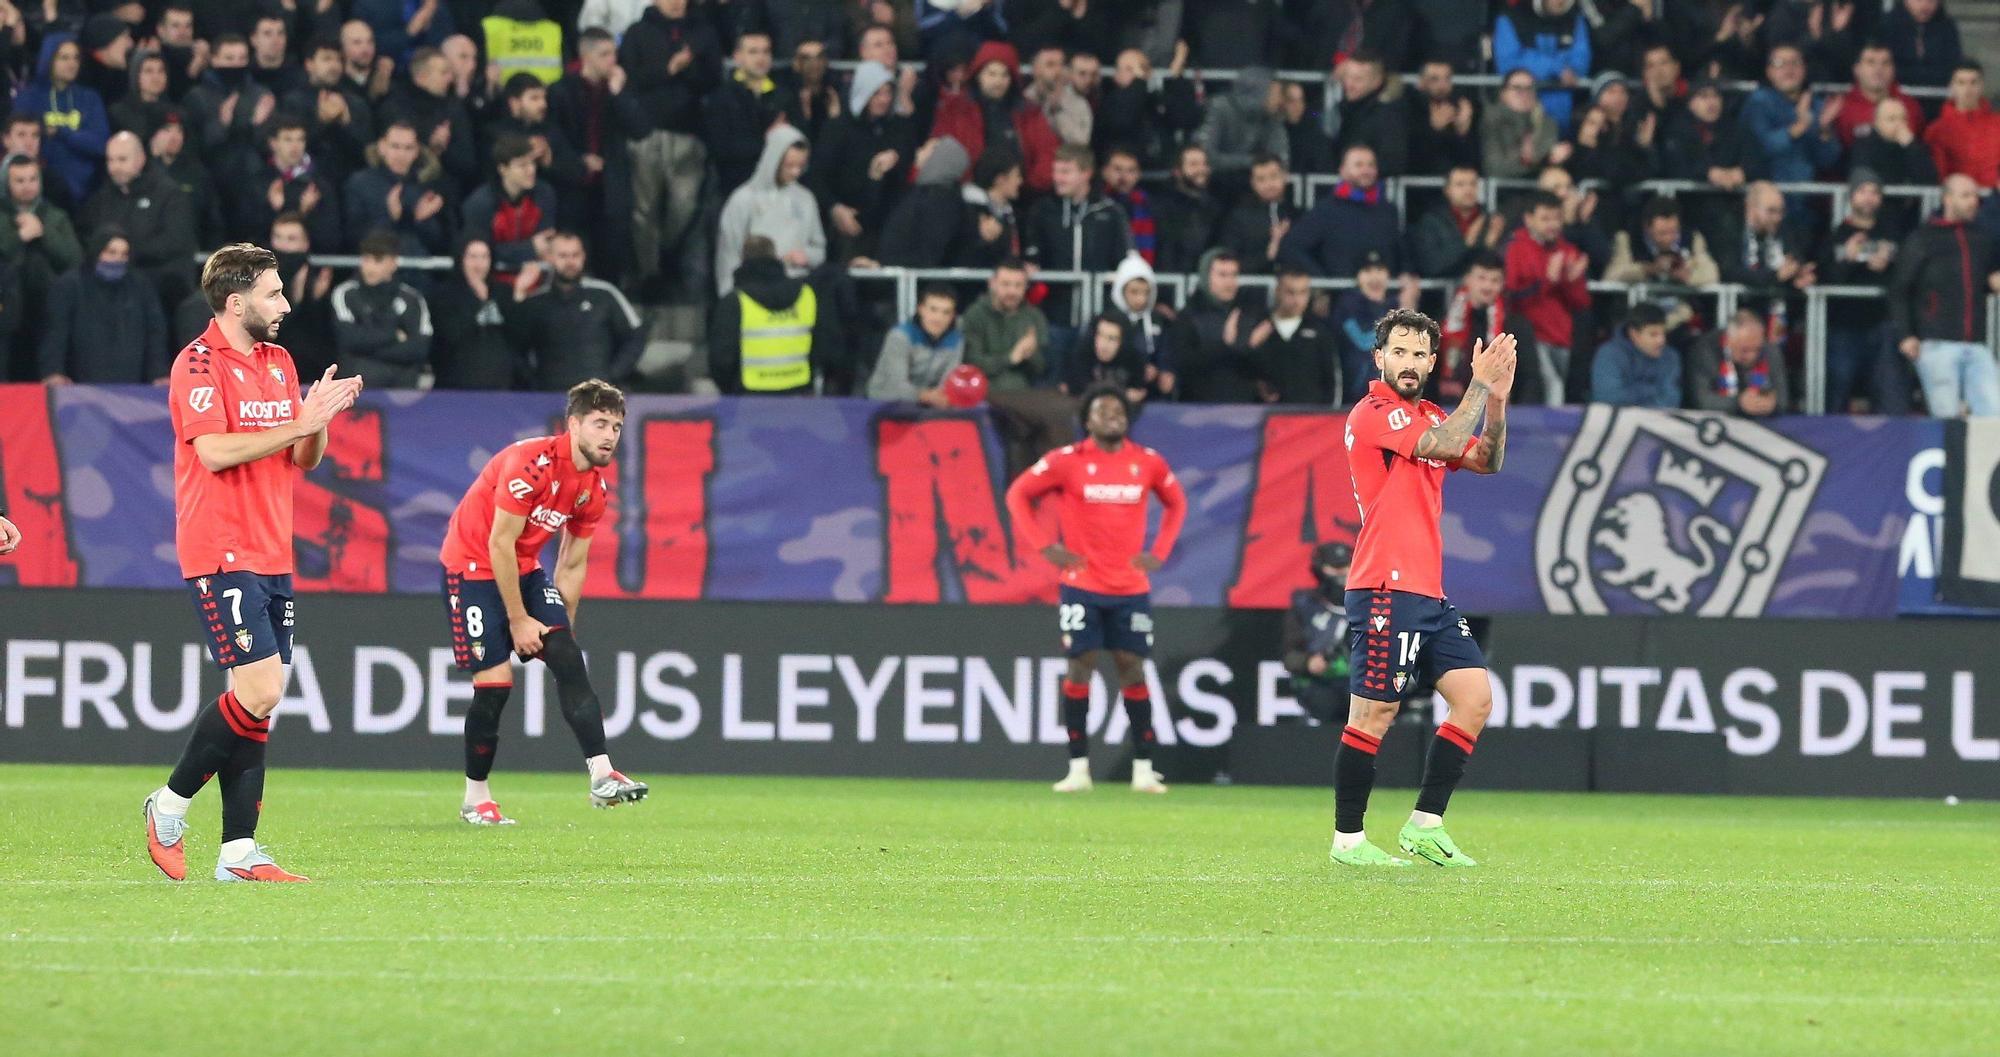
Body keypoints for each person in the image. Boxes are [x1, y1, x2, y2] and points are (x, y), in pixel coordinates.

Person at [143, 243, 366, 883]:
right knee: (264, 689)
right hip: (220, 545)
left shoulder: (279, 360)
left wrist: (316, 418)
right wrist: (298, 425)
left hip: (273, 546)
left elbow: (305, 459)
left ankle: (238, 851)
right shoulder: (197, 364)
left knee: (254, 701)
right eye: (274, 293)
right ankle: (169, 804)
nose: (286, 304)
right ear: (236, 303)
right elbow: (213, 452)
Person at [1331, 309, 1514, 868]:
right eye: (1400, 352)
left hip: (1426, 590)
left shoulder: (1431, 411)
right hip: (1385, 583)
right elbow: (1442, 443)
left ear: (1433, 363)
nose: (1410, 364)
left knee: (1474, 699)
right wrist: (1479, 387)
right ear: (1379, 357)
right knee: (1373, 714)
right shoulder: (1374, 412)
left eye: (1420, 355)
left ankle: (1425, 825)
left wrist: (1498, 401)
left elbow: (1487, 458)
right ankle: (1349, 841)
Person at [437, 378, 646, 824]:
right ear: (573, 424)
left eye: (616, 426)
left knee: (569, 656)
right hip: (472, 566)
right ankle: (477, 798)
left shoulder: (594, 488)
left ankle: (603, 775)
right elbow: (499, 544)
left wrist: (558, 633)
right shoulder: (529, 464)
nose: (609, 435)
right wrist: (518, 621)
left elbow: (571, 564)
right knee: (494, 688)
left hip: (524, 567)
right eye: (599, 424)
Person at [1004, 385, 1188, 795]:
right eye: (1103, 409)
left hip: (1129, 586)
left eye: (1119, 409)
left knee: (1132, 667)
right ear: (1087, 420)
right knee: (1079, 666)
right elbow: (1018, 494)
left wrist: (1158, 551)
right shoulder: (1067, 462)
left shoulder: (1148, 462)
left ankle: (1143, 769)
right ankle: (1077, 769)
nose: (1113, 414)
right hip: (1082, 584)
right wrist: (1043, 545)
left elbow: (1177, 503)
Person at [619, 0, 721, 290]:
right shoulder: (638, 32)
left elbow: (713, 79)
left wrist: (687, 71)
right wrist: (669, 69)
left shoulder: (703, 32)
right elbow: (631, 78)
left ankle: (666, 254)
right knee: (644, 209)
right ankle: (649, 274)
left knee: (685, 207)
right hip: (647, 134)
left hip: (690, 134)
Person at [1890, 174, 2000, 418]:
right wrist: (1906, 334)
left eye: (1975, 195)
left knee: (1994, 417)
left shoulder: (1981, 238)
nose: (1974, 201)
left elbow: (1991, 279)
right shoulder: (1923, 238)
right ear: (1947, 199)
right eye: (1966, 196)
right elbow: (1899, 289)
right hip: (1936, 344)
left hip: (1977, 343)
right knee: (1946, 419)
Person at [505, 230, 647, 390]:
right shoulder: (536, 302)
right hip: (547, 398)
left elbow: (636, 336)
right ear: (549, 258)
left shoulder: (605, 294)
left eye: (575, 255)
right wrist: (533, 382)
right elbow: (514, 346)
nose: (570, 262)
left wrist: (612, 375)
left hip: (596, 398)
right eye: (563, 256)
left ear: (583, 256)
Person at [709, 235, 835, 395]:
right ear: (775, 257)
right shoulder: (807, 295)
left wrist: (732, 390)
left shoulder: (735, 302)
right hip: (798, 394)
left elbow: (721, 360)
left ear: (742, 259)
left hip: (748, 397)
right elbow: (823, 344)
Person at [1024, 144, 1131, 331]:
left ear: (1086, 174)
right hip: (1053, 317)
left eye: (1065, 172)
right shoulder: (1042, 210)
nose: (1058, 178)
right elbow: (1032, 257)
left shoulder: (1111, 212)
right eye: (1056, 171)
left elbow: (1124, 259)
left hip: (1099, 319)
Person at [40, 228, 165, 384]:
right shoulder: (70, 285)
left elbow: (155, 333)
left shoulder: (140, 286)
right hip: (79, 385)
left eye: (124, 254)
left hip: (132, 386)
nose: (117, 259)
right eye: (111, 252)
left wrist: (159, 372)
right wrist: (53, 371)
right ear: (97, 251)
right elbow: (56, 332)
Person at [714, 124, 825, 296]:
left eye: (800, 166)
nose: (796, 172)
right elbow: (729, 254)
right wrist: (729, 298)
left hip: (796, 288)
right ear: (774, 160)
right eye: (789, 165)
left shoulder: (806, 199)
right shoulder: (743, 199)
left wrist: (807, 256)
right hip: (753, 290)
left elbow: (819, 248)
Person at [1504, 191, 1590, 405]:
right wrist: (1547, 280)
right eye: (1545, 218)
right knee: (1552, 388)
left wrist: (1572, 280)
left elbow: (1582, 303)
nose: (1552, 225)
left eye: (1556, 218)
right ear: (1529, 219)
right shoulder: (1516, 249)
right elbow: (1511, 299)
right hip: (1531, 336)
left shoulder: (1568, 251)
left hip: (1562, 336)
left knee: (1559, 388)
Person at [1279, 145, 1402, 279]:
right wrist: (1324, 282)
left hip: (1386, 296)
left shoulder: (1388, 210)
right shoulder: (1326, 210)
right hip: (1342, 296)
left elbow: (1400, 250)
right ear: (1342, 170)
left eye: (1371, 165)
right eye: (1358, 165)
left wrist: (1407, 274)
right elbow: (1292, 246)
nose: (1366, 170)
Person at [331, 232, 434, 388]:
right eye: (366, 259)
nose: (369, 267)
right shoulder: (345, 294)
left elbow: (419, 349)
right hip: (358, 390)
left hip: (402, 392)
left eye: (377, 260)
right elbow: (349, 340)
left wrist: (366, 350)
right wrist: (394, 335)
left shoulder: (412, 299)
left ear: (393, 263)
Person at [462, 135, 557, 287]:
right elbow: (480, 253)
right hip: (492, 283)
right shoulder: (480, 203)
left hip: (535, 279)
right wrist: (529, 248)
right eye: (522, 165)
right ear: (503, 169)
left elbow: (545, 243)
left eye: (532, 162)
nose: (531, 170)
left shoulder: (544, 194)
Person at [1741, 44, 1841, 184]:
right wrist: (1799, 126)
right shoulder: (1758, 102)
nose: (1789, 69)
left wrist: (1823, 129)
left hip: (1805, 196)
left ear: (1805, 69)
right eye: (1780, 64)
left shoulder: (1817, 105)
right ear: (1769, 71)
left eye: (1795, 63)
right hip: (1765, 191)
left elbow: (1827, 161)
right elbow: (1758, 149)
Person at [1174, 250, 1264, 404]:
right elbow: (1183, 364)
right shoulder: (1189, 315)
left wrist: (1255, 347)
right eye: (1222, 275)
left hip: (1244, 410)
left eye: (1233, 275)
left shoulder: (1248, 312)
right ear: (1206, 276)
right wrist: (1225, 345)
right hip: (1199, 409)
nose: (1229, 282)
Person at [432, 238, 520, 389]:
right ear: (461, 259)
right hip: (457, 383)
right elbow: (450, 335)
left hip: (501, 384)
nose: (479, 264)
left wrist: (520, 296)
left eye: (484, 257)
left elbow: (517, 336)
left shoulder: (503, 292)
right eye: (472, 257)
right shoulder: (443, 295)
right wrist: (477, 300)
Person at [1282, 541, 1352, 724]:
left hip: (1363, 687)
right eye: (1334, 567)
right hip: (1322, 685)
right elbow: (1290, 655)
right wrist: (1309, 663)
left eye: (1345, 566)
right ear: (1320, 569)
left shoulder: (1372, 605)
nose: (1341, 573)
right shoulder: (1305, 606)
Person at [1256, 268, 1340, 406]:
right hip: (1269, 418)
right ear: (1278, 291)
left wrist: (1330, 415)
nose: (1297, 300)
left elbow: (1332, 379)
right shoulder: (1260, 328)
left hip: (1310, 418)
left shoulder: (1319, 331)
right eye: (1290, 292)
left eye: (1303, 293)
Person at [867, 284, 962, 403]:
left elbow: (948, 383)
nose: (938, 318)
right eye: (933, 310)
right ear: (921, 309)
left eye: (946, 312)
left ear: (953, 316)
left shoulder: (956, 340)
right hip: (884, 403)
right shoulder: (900, 336)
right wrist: (927, 396)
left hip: (929, 406)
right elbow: (897, 385)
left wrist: (940, 397)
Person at [1409, 166, 1505, 280]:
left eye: (1473, 184)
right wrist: (1465, 243)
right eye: (1460, 184)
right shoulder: (1430, 221)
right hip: (1443, 295)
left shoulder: (1492, 220)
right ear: (1447, 190)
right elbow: (1431, 267)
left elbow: (1503, 267)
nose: (1468, 190)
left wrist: (1490, 247)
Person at [1692, 307, 1791, 416]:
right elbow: (1702, 400)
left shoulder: (1770, 351)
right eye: (1745, 350)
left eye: (1757, 349)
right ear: (1729, 341)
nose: (1752, 356)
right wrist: (1739, 403)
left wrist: (1772, 403)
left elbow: (1782, 400)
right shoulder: (1706, 350)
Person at [1218, 152, 1298, 275]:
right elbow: (1230, 261)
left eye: (1274, 176)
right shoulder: (1239, 218)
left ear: (1285, 176)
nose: (1269, 184)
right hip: (1251, 289)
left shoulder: (1299, 216)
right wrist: (1268, 254)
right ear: (1253, 183)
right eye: (1261, 179)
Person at [1589, 303, 1681, 408]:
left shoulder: (1670, 357)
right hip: (1618, 422)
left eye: (1663, 333)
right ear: (1634, 334)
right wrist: (1650, 389)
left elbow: (1671, 400)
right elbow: (1608, 398)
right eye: (1653, 334)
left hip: (1658, 422)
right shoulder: (1608, 354)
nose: (1661, 340)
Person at [1924, 61, 1999, 189]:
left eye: (1973, 82)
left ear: (1982, 86)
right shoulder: (1936, 130)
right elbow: (1937, 175)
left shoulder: (1997, 124)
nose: (1967, 89)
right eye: (1961, 83)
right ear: (1952, 86)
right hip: (1954, 201)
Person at [1063, 314, 1148, 401]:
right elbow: (1077, 389)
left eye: (1112, 338)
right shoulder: (1083, 353)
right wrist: (1123, 394)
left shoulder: (1134, 359)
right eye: (1099, 335)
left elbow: (1137, 393)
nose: (1103, 345)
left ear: (1123, 342)